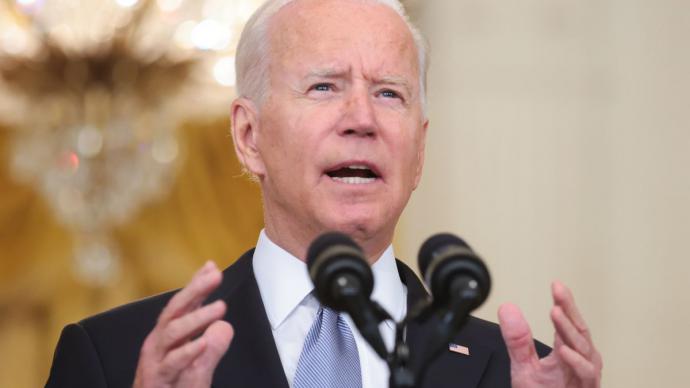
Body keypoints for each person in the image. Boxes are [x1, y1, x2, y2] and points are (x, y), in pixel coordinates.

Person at [46, 0, 603, 387]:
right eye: (324, 87)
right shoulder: (116, 358)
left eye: (389, 93)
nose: (362, 118)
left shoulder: (514, 373)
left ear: (419, 153)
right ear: (249, 136)